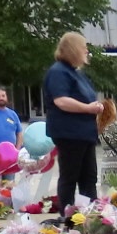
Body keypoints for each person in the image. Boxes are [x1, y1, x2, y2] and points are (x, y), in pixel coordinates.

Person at [42, 32, 102, 207]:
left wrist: (97, 107)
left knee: (89, 177)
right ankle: (66, 216)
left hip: (85, 134)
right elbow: (61, 101)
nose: (86, 51)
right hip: (70, 133)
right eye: (83, 47)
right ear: (74, 49)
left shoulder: (76, 73)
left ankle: (90, 215)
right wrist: (88, 108)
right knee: (70, 176)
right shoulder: (58, 72)